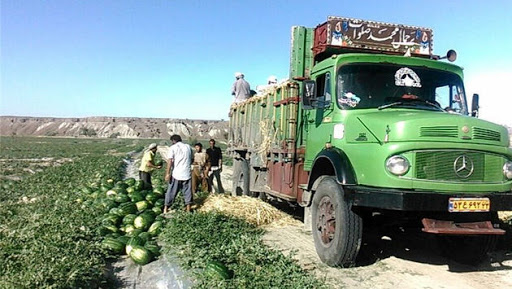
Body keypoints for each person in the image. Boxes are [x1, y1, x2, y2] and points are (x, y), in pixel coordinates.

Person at [164, 135, 193, 213]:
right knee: (187, 192)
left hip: (176, 174)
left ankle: (166, 209)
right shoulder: (188, 147)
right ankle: (188, 209)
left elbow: (170, 161)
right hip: (187, 174)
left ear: (173, 141)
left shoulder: (173, 148)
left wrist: (167, 173)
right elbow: (192, 159)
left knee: (171, 191)